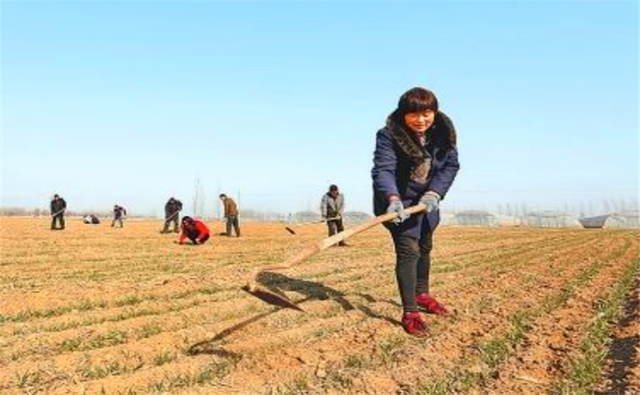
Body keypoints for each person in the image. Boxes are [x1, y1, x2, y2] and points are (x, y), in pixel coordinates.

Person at [372, 87, 460, 337]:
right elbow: (383, 170)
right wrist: (392, 197)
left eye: (426, 113)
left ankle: (422, 294)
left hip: (427, 201)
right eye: (413, 114)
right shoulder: (388, 135)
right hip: (397, 202)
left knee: (425, 247)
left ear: (434, 112)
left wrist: (434, 193)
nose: (420, 120)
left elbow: (450, 166)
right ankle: (410, 311)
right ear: (403, 114)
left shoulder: (444, 134)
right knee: (409, 250)